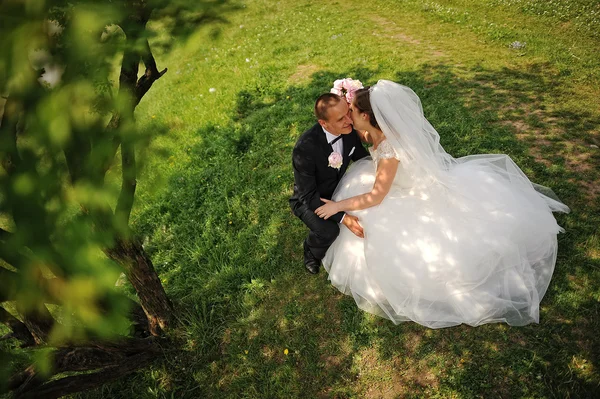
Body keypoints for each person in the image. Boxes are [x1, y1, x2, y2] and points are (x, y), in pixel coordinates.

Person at [314, 80, 569, 328]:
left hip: (407, 194)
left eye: (353, 112)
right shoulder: (382, 132)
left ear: (368, 117)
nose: (349, 116)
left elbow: (376, 196)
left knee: (378, 228)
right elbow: (371, 139)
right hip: (404, 180)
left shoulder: (390, 152)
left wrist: (339, 207)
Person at [290, 93, 369, 274]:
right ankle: (310, 250)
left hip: (339, 190)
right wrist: (343, 217)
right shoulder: (305, 149)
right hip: (311, 199)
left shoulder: (348, 130)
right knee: (329, 231)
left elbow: (360, 157)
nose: (349, 120)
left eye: (348, 113)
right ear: (323, 124)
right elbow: (307, 195)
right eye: (341, 119)